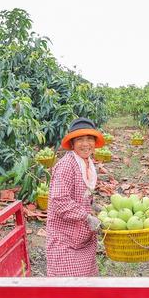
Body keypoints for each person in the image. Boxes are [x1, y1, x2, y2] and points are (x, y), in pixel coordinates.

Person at [46, 118, 105, 277]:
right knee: (67, 287)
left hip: (82, 238)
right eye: (80, 139)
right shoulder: (66, 165)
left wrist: (94, 206)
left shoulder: (86, 162)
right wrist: (86, 217)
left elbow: (82, 193)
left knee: (85, 285)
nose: (86, 144)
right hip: (65, 239)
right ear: (72, 144)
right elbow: (59, 201)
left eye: (89, 139)